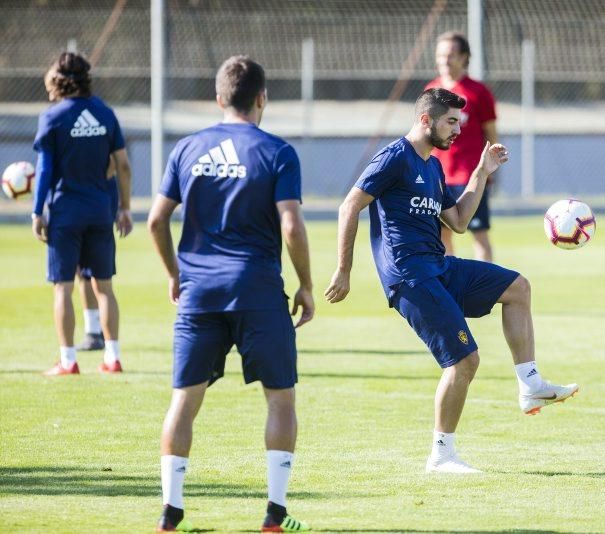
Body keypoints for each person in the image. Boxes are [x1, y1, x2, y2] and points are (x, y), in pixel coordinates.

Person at [325, 88, 578, 474]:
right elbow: (350, 205)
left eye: (459, 122)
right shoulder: (394, 158)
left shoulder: (433, 166)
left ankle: (530, 384)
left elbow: (458, 222)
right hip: (409, 277)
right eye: (451, 122)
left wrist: (481, 173)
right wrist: (343, 269)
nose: (458, 130)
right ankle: (441, 456)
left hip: (438, 267)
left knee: (518, 288)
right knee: (464, 360)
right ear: (426, 120)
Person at [147, 55, 313, 532]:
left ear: (218, 98)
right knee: (280, 400)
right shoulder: (278, 151)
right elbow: (291, 224)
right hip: (259, 290)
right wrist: (304, 283)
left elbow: (156, 220)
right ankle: (274, 514)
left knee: (184, 400)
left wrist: (176, 273)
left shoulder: (187, 148)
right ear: (262, 98)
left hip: (199, 292)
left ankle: (170, 512)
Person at [32, 51, 133, 376]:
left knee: (62, 287)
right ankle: (112, 357)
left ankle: (68, 361)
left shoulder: (53, 117)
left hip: (65, 213)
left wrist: (37, 211)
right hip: (101, 211)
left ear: (58, 81)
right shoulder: (104, 113)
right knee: (104, 287)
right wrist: (125, 208)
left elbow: (45, 169)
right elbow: (123, 166)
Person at [425, 31, 498, 262]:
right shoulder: (432, 91)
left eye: (451, 55)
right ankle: (450, 286)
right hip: (439, 177)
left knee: (479, 234)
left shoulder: (478, 92)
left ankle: (484, 290)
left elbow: (491, 134)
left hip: (470, 176)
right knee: (442, 236)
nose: (445, 61)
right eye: (441, 55)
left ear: (464, 57)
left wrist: (491, 169)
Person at [76, 161, 121, 352]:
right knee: (90, 277)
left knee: (97, 281)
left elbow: (118, 167)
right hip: (101, 212)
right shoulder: (106, 135)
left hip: (79, 212)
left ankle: (97, 334)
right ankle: (95, 333)